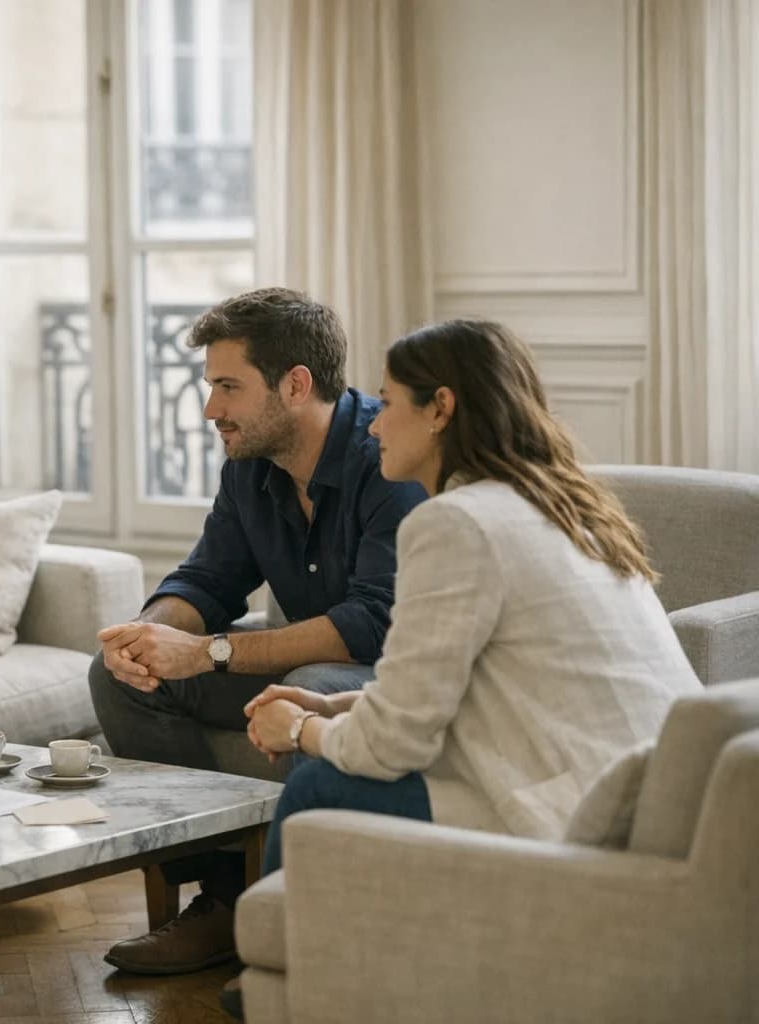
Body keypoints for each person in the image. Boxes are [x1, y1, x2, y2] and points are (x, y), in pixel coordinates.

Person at [243, 318, 701, 878]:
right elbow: (479, 688)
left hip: (575, 811)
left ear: (440, 407)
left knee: (318, 788)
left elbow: (391, 747)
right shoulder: (567, 508)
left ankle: (282, 963)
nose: (375, 428)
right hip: (651, 799)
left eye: (387, 405)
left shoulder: (455, 523)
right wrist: (334, 706)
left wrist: (296, 730)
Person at [90, 287, 426, 976]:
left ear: (296, 385)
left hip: (387, 674)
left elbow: (372, 624)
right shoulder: (248, 466)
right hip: (307, 666)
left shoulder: (386, 460)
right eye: (210, 385)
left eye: (227, 387)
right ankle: (221, 896)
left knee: (307, 688)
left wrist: (208, 651)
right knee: (118, 679)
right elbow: (209, 580)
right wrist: (148, 636)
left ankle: (310, 930)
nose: (211, 409)